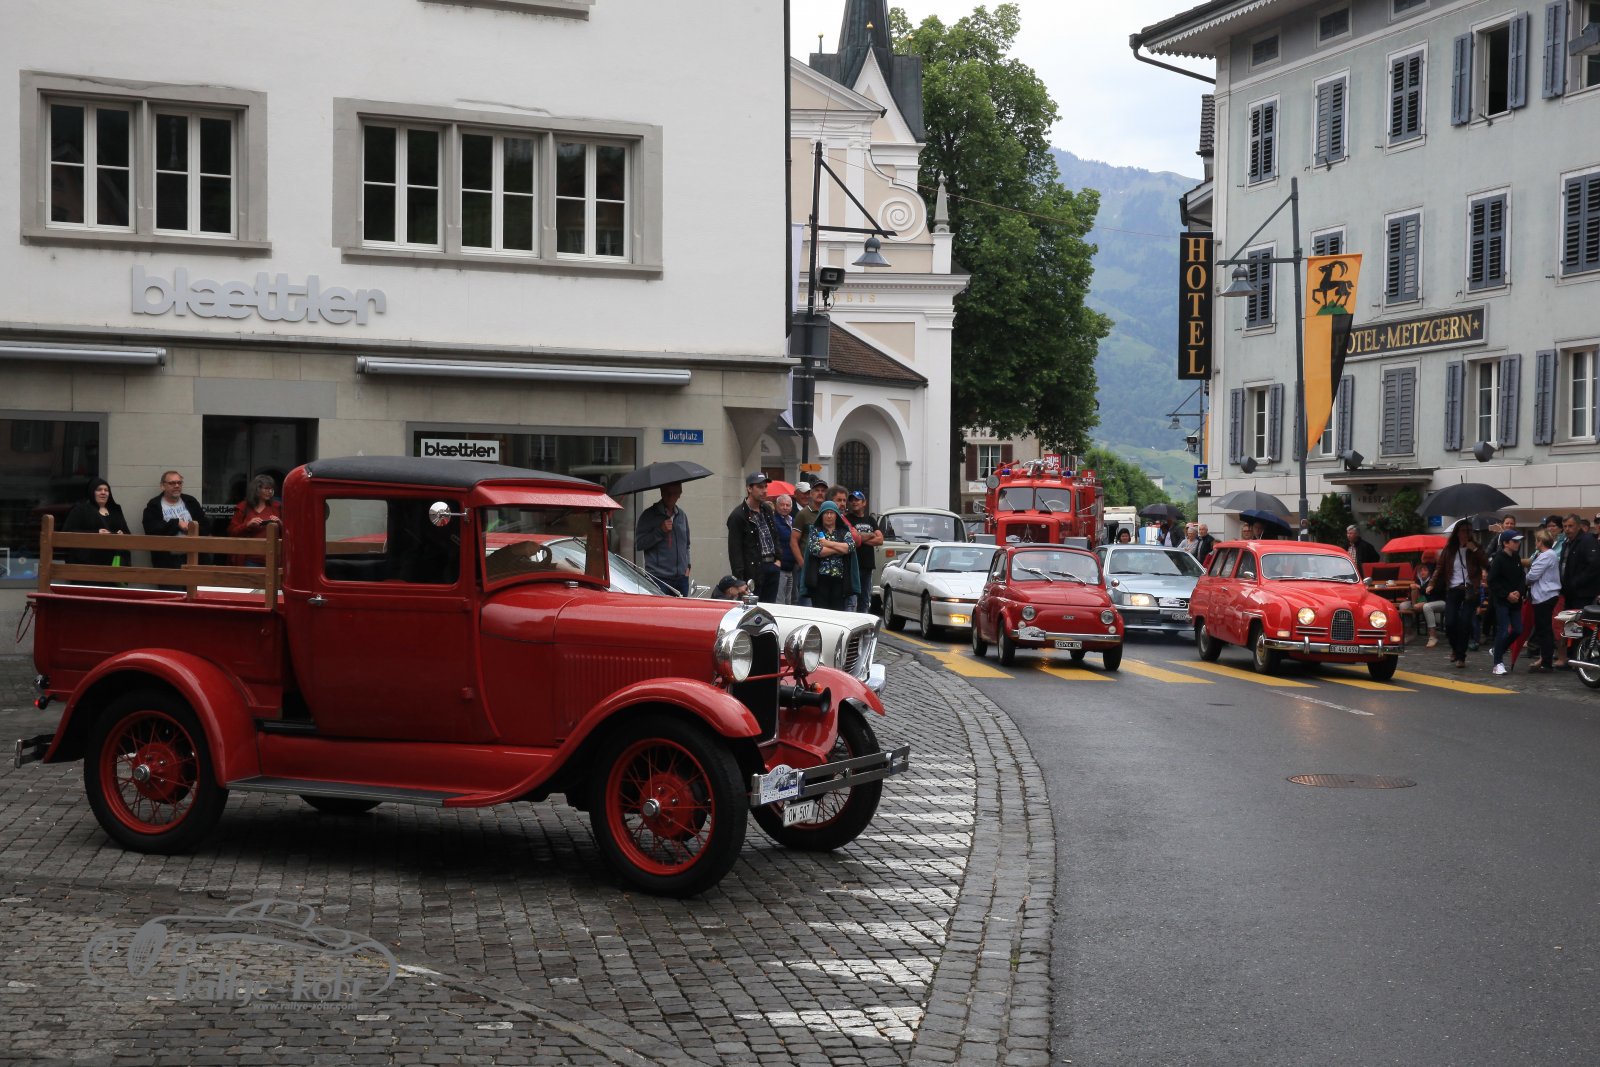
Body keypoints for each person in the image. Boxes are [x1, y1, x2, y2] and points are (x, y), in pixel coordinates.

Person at [1429, 517, 1488, 668]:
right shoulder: (1450, 549)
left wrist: (1474, 550)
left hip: (1471, 589)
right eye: (1463, 531)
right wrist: (1431, 583)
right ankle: (1455, 649)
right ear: (1457, 533)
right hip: (1454, 589)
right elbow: (1439, 568)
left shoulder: (1476, 548)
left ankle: (1461, 656)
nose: (1466, 534)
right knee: (1450, 623)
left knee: (1465, 623)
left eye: (1469, 531)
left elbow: (1487, 564)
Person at [726, 473, 781, 602]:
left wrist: (778, 559)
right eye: (760, 487)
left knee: (771, 607)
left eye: (765, 487)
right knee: (752, 608)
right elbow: (735, 551)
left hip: (772, 566)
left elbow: (774, 535)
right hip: (753, 571)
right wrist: (739, 580)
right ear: (749, 488)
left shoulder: (766, 509)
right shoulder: (738, 515)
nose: (765, 490)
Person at [634, 482, 691, 596]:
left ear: (679, 494)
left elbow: (687, 545)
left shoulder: (681, 516)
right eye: (667, 493)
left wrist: (688, 566)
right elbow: (639, 544)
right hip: (658, 579)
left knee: (682, 608)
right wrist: (660, 531)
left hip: (681, 579)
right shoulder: (649, 515)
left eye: (674, 493)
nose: (670, 496)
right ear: (661, 492)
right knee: (659, 608)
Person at [61, 478, 131, 567]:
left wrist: (122, 534)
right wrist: (96, 533)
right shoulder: (80, 510)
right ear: (92, 492)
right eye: (99, 490)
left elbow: (127, 533)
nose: (103, 492)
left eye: (106, 490)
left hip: (114, 562)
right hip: (88, 563)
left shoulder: (116, 510)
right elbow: (67, 533)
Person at [803, 501, 859, 611]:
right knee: (820, 613)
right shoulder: (815, 531)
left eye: (831, 513)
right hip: (819, 580)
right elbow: (817, 550)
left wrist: (827, 543)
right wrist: (839, 548)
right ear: (821, 515)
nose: (829, 516)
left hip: (839, 580)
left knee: (837, 614)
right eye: (826, 513)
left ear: (836, 515)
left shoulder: (844, 531)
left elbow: (850, 547)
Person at [142, 471, 203, 571]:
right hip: (167, 561)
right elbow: (151, 529)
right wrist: (176, 523)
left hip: (193, 557)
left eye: (179, 483)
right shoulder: (154, 505)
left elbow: (205, 525)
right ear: (162, 486)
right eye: (172, 483)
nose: (177, 486)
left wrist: (192, 527)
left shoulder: (190, 501)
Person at [1487, 530, 1527, 676]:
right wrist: (1506, 594)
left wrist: (1519, 592)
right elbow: (1492, 580)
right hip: (1502, 601)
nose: (1517, 543)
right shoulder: (1498, 558)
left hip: (1515, 600)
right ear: (1505, 543)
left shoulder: (1516, 557)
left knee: (1518, 629)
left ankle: (1498, 649)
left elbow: (1522, 578)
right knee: (1503, 630)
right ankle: (1497, 663)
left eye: (1518, 541)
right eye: (1514, 541)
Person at [226, 473, 282, 567]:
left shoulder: (277, 507)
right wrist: (247, 525)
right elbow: (231, 532)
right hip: (250, 558)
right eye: (266, 488)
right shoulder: (243, 507)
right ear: (257, 489)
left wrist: (280, 523)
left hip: (272, 557)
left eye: (271, 489)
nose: (270, 491)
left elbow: (288, 532)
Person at [1526, 528, 1562, 673]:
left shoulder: (1546, 555)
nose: (1535, 542)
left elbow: (1532, 576)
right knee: (1543, 628)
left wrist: (1525, 579)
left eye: (1537, 540)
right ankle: (1544, 659)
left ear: (1540, 541)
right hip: (1545, 595)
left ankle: (1546, 662)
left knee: (1544, 629)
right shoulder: (1548, 555)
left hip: (1544, 595)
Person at [846, 490, 883, 613]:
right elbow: (851, 538)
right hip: (853, 565)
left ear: (864, 503)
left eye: (857, 500)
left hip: (867, 565)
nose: (854, 502)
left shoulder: (871, 520)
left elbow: (880, 539)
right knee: (851, 600)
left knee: (865, 599)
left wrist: (860, 538)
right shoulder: (847, 519)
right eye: (852, 500)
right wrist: (870, 535)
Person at [1411, 551, 1445, 648]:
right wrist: (1413, 588)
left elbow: (1436, 591)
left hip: (1440, 600)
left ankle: (1432, 635)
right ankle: (1409, 632)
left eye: (1425, 570)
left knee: (1427, 606)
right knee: (1403, 605)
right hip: (1422, 600)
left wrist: (1420, 588)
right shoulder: (1418, 578)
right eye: (1421, 570)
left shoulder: (1437, 575)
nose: (1422, 572)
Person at [772, 493, 798, 604]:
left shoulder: (793, 521)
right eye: (782, 505)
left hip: (791, 567)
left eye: (787, 505)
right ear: (776, 506)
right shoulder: (774, 521)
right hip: (780, 566)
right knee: (780, 600)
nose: (785, 507)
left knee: (789, 601)